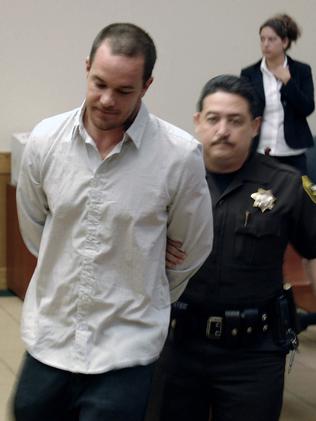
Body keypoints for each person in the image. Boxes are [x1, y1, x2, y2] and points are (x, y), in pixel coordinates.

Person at [13, 23, 213, 421]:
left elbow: (192, 248)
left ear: (146, 84)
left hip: (127, 345)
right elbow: (36, 229)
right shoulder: (45, 140)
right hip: (51, 335)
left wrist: (148, 288)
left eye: (124, 91)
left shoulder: (178, 156)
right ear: (87, 67)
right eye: (98, 83)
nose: (106, 100)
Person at [148, 75, 316, 421]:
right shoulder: (167, 179)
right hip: (177, 345)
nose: (222, 130)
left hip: (253, 353)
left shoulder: (287, 185)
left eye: (235, 120)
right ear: (198, 122)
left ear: (254, 126)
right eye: (213, 118)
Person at [241, 14, 315, 175]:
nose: (265, 44)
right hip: (260, 150)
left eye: (271, 39)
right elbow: (244, 109)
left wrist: (288, 82)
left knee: (298, 197)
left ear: (284, 42)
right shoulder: (249, 74)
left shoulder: (301, 70)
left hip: (292, 151)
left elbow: (307, 108)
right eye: (262, 39)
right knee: (260, 198)